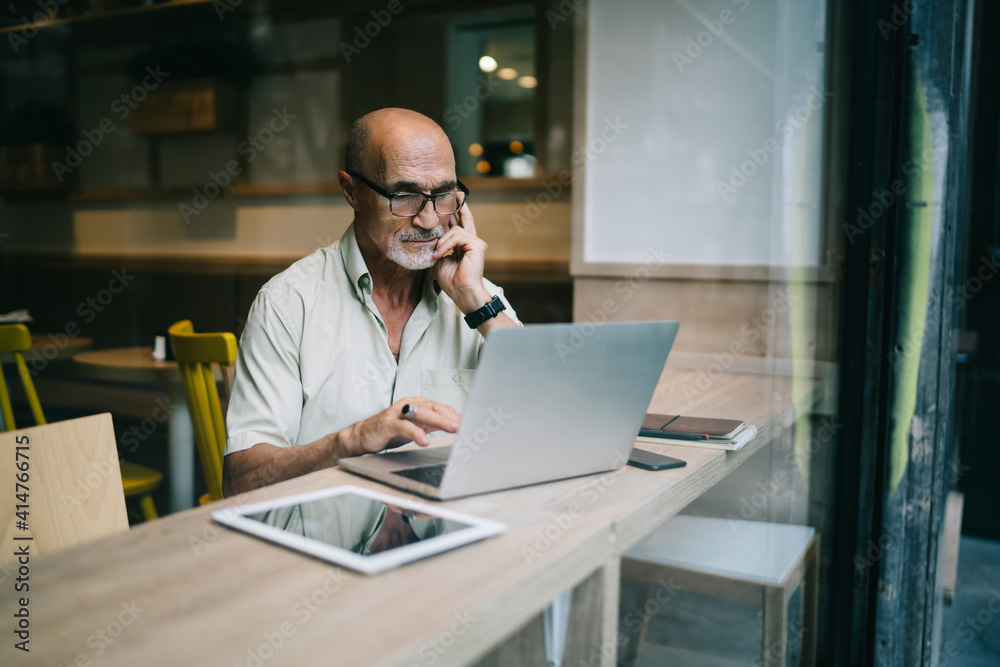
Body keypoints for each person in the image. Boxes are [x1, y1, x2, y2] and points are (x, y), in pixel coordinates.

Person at [222, 108, 520, 495]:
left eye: (444, 194)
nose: (430, 220)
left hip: (451, 536)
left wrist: (475, 300)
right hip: (323, 549)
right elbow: (241, 482)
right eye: (406, 195)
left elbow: (556, 423)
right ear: (351, 191)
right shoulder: (287, 303)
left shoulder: (481, 298)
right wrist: (352, 441)